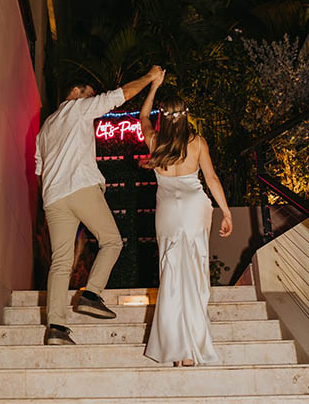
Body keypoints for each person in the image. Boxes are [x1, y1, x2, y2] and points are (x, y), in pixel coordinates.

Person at [35, 65, 164, 345]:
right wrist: (150, 77)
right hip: (79, 186)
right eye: (89, 93)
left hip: (53, 197)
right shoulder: (78, 108)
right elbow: (122, 94)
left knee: (60, 262)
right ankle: (91, 295)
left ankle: (55, 327)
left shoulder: (45, 128)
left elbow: (39, 168)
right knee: (112, 241)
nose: (91, 98)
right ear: (75, 91)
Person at [140, 72, 233, 366]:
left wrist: (153, 87)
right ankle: (192, 349)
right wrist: (226, 211)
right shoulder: (197, 143)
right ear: (186, 116)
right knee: (193, 275)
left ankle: (176, 348)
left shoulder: (154, 141)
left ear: (163, 118)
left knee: (170, 274)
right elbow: (213, 179)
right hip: (194, 207)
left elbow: (142, 116)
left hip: (167, 209)